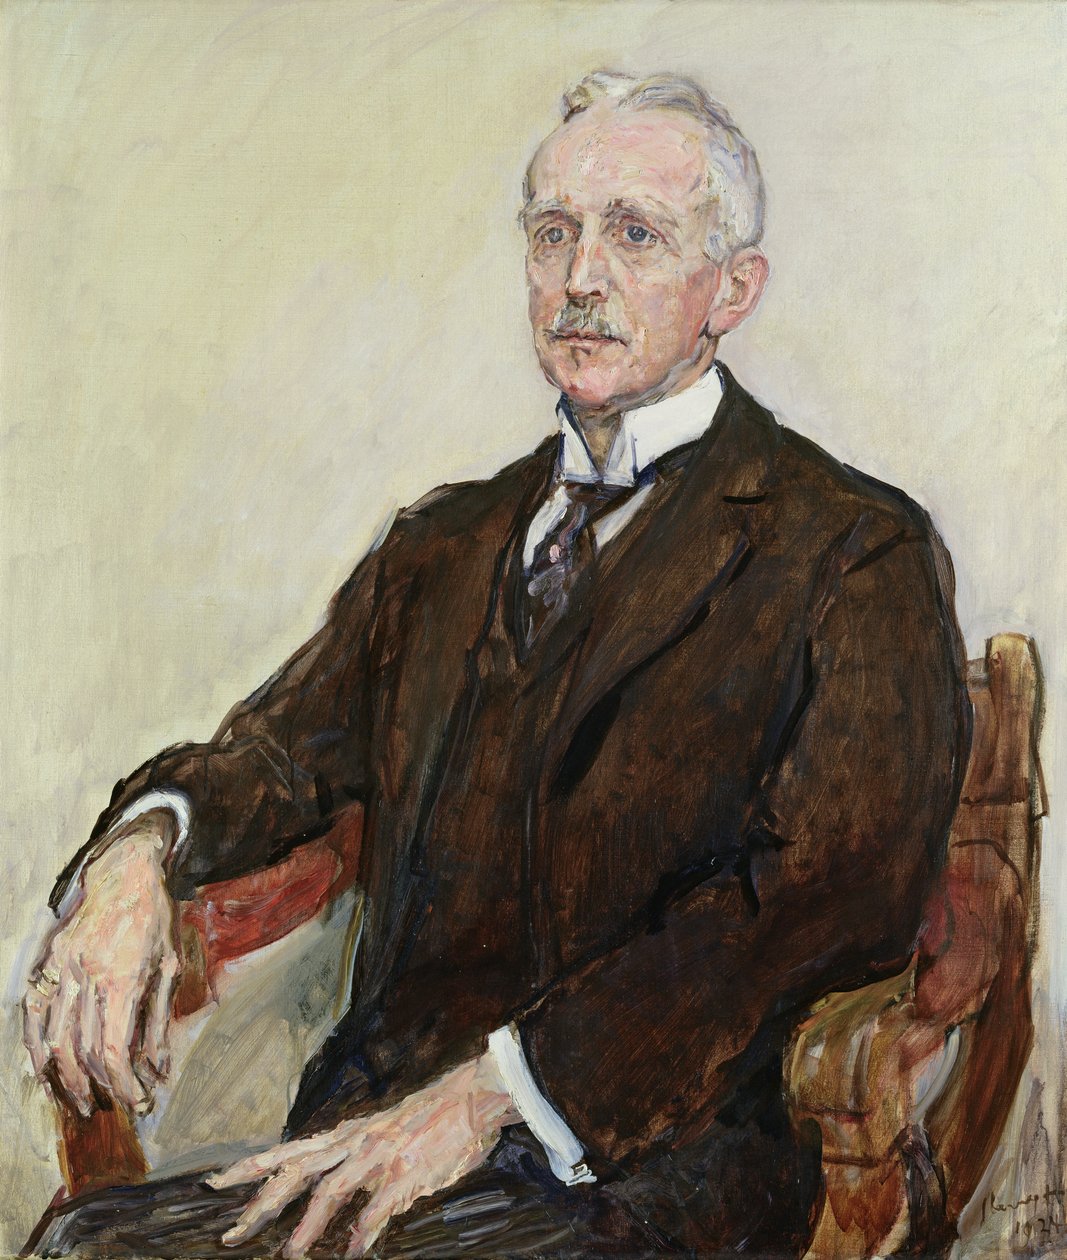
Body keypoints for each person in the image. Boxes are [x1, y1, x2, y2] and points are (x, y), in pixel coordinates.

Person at [22, 71, 971, 1257]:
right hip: (358, 1162)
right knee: (85, 1247)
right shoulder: (438, 546)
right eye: (552, 232)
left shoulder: (850, 548)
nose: (580, 277)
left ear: (731, 288)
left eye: (633, 234)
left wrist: (498, 1094)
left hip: (650, 1183)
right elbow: (271, 760)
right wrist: (135, 855)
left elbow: (822, 904)